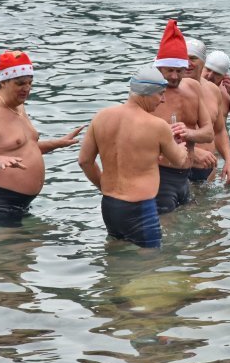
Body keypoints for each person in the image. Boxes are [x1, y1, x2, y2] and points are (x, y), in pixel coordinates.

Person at [78, 66, 193, 248]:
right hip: (140, 209)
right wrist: (181, 146)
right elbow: (178, 160)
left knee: (115, 259)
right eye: (161, 94)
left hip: (109, 206)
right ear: (147, 93)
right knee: (150, 264)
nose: (163, 100)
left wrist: (104, 186)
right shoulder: (156, 125)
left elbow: (84, 161)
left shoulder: (101, 117)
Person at [0, 50, 83, 226]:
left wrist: (55, 144)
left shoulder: (18, 106)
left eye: (30, 83)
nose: (27, 89)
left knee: (27, 252)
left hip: (20, 204)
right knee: (7, 254)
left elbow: (21, 149)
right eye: (20, 83)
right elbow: (3, 156)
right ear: (3, 81)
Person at [151, 20, 213, 213]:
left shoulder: (193, 87)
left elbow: (209, 133)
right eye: (170, 70)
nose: (175, 77)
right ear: (159, 68)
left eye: (179, 71)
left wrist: (188, 134)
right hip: (160, 177)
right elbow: (132, 139)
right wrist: (165, 136)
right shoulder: (149, 95)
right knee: (168, 236)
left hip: (185, 175)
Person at [184, 39, 230, 183]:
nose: (188, 63)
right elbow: (156, 134)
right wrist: (192, 153)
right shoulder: (169, 91)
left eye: (193, 58)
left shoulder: (213, 90)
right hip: (178, 168)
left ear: (203, 61)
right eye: (184, 58)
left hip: (208, 171)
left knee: (208, 206)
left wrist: (229, 160)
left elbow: (219, 131)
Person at [201, 50, 230, 126]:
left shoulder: (226, 91)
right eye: (208, 70)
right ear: (201, 67)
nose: (210, 76)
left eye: (216, 73)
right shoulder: (189, 86)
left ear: (224, 77)